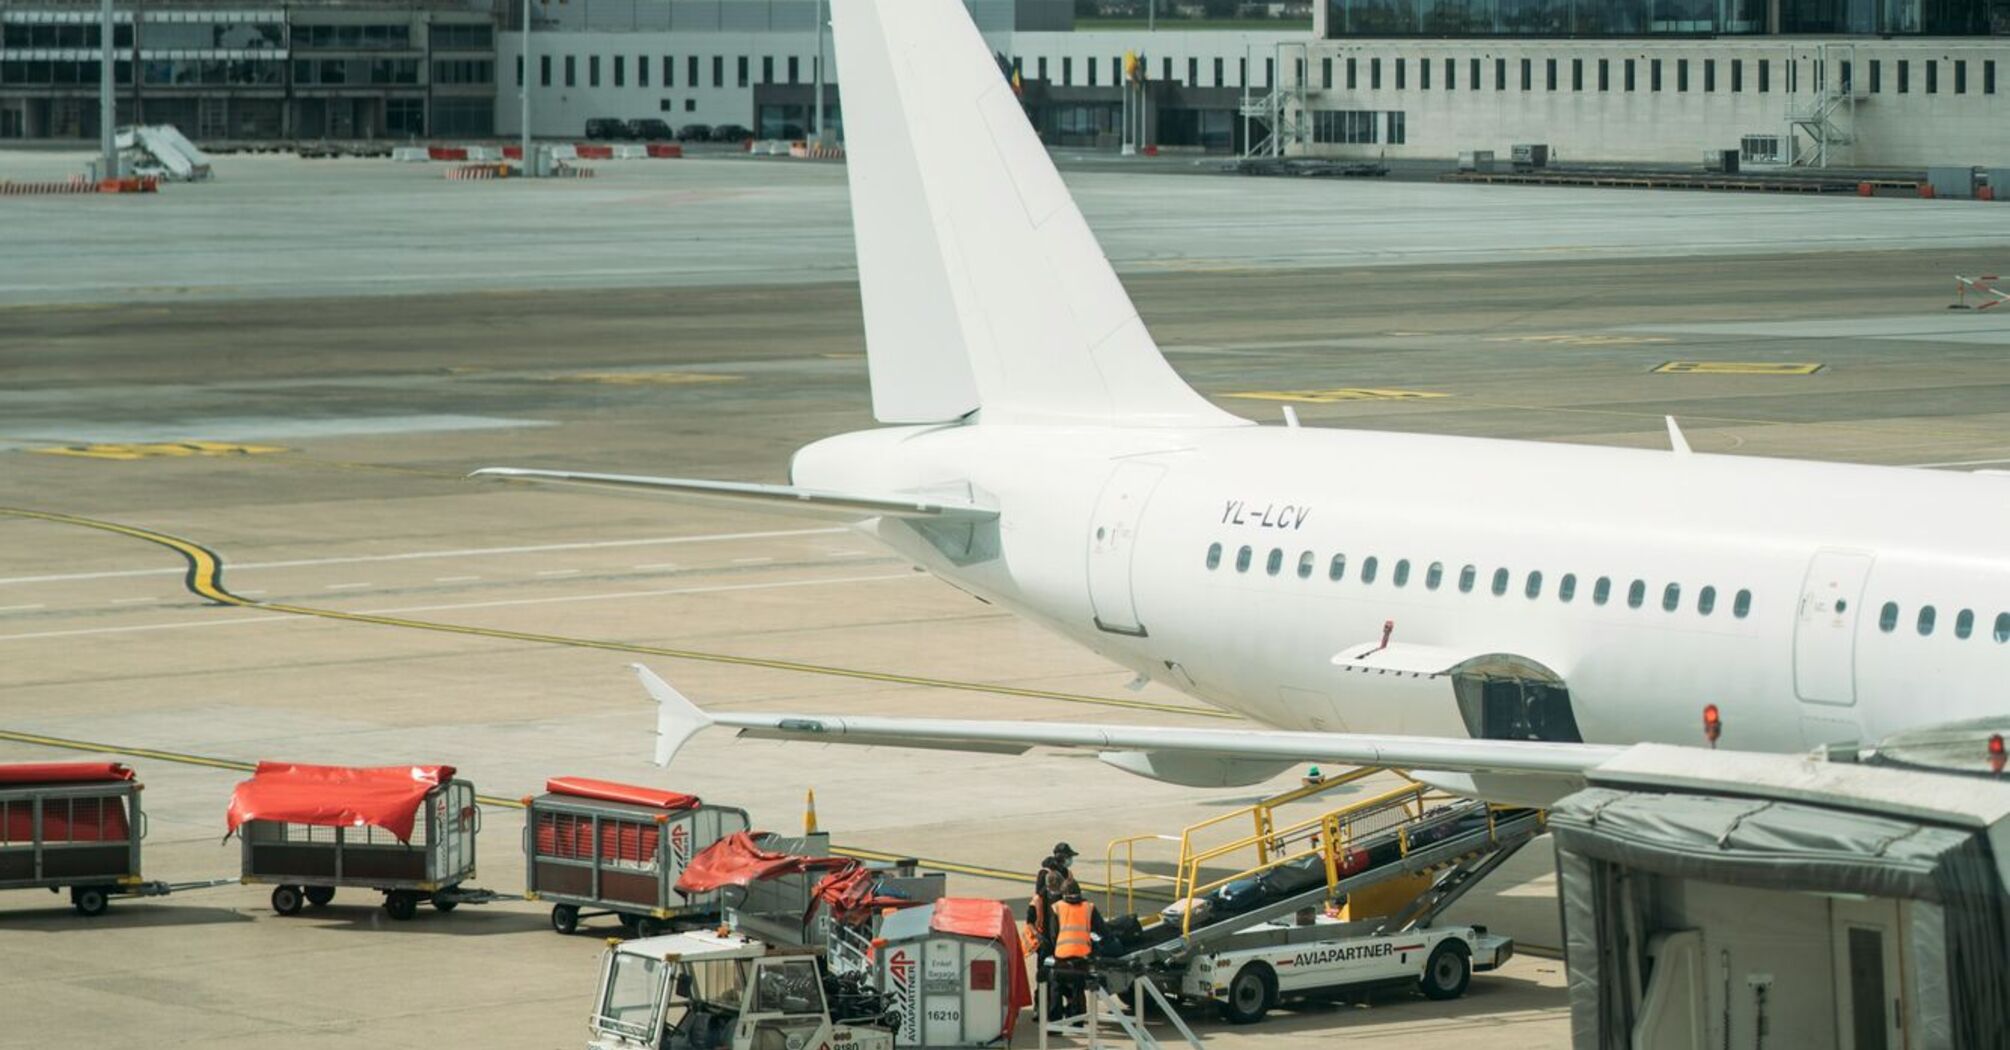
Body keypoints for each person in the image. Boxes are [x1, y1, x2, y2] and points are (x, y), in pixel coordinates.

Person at [1045, 885, 1106, 1019]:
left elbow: (1053, 934)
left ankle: (1055, 1022)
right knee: (1077, 988)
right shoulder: (1088, 907)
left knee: (1056, 987)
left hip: (1062, 955)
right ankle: (1077, 1020)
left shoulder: (1057, 907)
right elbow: (1102, 930)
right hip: (1082, 956)